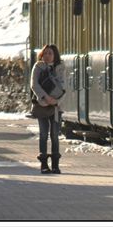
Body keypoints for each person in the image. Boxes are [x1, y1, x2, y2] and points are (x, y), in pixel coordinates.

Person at [31, 44, 66, 174]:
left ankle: (56, 164)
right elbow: (34, 84)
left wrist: (56, 100)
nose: (47, 55)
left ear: (55, 55)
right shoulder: (38, 66)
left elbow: (64, 86)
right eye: (45, 53)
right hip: (42, 105)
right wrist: (46, 97)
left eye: (50, 53)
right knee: (43, 134)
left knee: (55, 135)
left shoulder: (61, 67)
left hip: (57, 106)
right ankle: (44, 164)